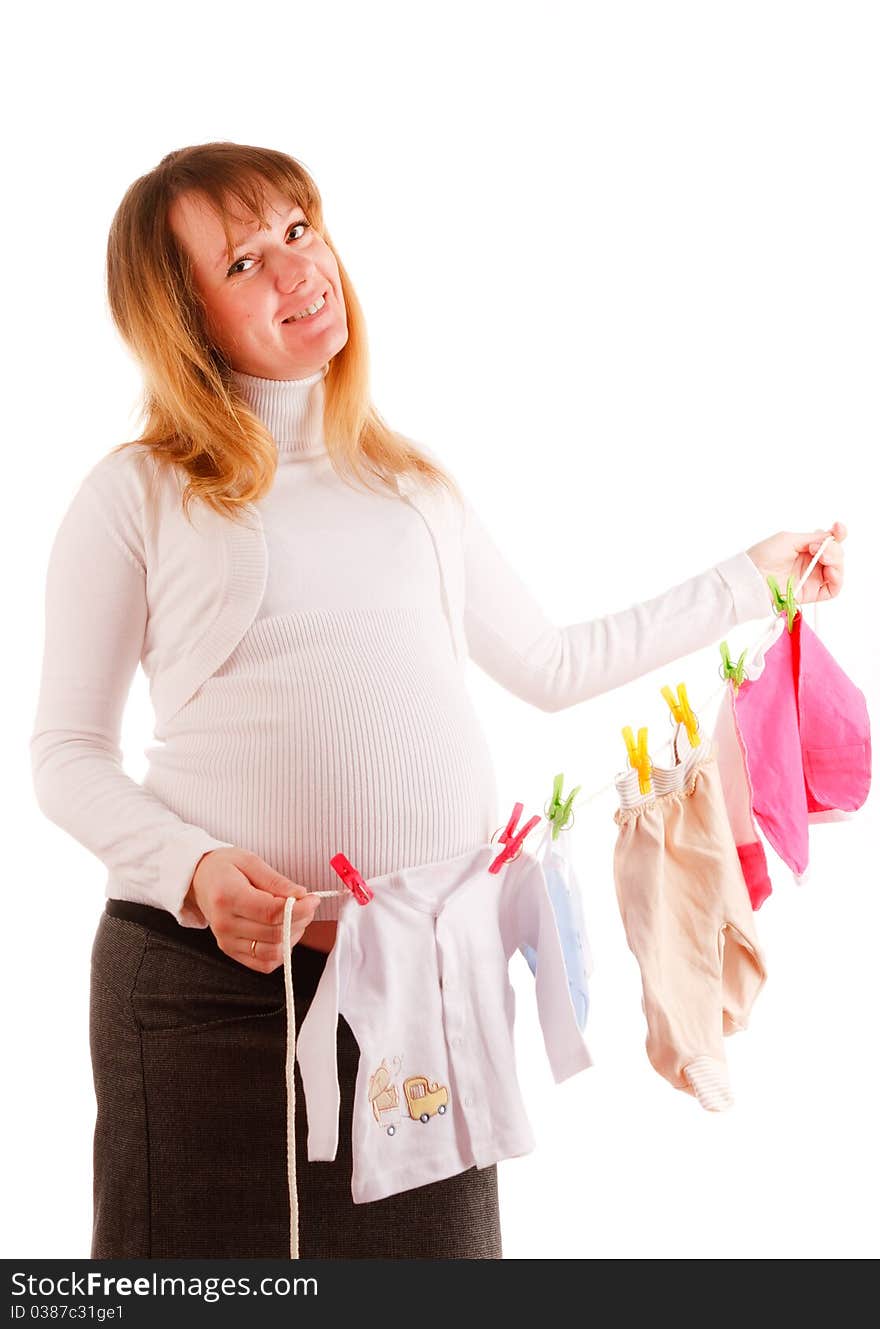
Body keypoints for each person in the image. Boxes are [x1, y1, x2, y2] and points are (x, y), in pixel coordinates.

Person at [29, 141, 847, 1260]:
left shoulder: (407, 484)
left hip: (424, 990)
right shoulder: (139, 495)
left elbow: (552, 663)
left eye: (300, 231)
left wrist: (748, 578)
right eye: (244, 260)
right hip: (207, 1002)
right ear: (184, 317)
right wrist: (194, 870)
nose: (296, 271)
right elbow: (66, 753)